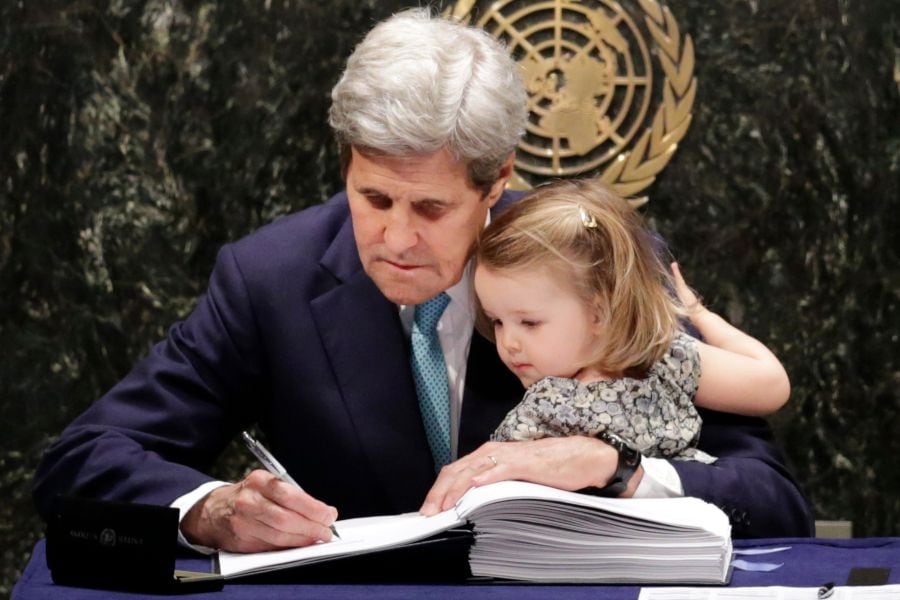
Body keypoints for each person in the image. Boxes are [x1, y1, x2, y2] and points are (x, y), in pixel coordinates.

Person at [32, 8, 813, 555]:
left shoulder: (593, 257)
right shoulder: (268, 278)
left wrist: (619, 470)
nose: (395, 239)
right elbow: (86, 456)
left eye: (432, 207)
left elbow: (776, 504)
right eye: (373, 199)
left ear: (497, 181)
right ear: (346, 167)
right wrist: (208, 510)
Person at [469, 179, 789, 468]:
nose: (508, 342)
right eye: (497, 321)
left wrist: (701, 316)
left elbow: (771, 386)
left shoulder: (664, 358)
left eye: (529, 322)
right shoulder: (539, 406)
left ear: (599, 313)